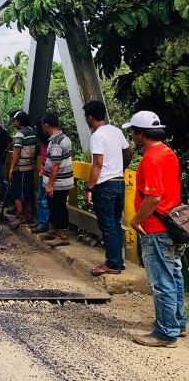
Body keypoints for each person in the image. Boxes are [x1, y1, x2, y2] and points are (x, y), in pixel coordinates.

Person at [124, 111, 186, 348]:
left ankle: (165, 333)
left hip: (156, 227)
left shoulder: (151, 158)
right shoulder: (168, 152)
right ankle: (177, 323)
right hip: (173, 224)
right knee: (175, 275)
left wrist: (136, 220)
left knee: (162, 281)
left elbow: (152, 197)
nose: (131, 135)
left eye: (132, 131)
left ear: (141, 133)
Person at [83, 101, 133, 276]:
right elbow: (129, 152)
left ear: (90, 117)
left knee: (108, 225)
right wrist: (120, 168)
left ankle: (112, 264)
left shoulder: (97, 135)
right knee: (115, 223)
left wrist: (89, 188)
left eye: (86, 117)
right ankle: (117, 261)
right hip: (119, 182)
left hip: (104, 185)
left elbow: (97, 164)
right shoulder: (116, 131)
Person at [39, 114, 74, 247]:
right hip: (62, 180)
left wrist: (50, 184)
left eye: (43, 125)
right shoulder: (63, 137)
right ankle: (53, 232)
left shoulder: (55, 142)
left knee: (58, 207)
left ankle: (62, 236)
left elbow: (55, 164)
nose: (42, 127)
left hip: (58, 182)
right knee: (55, 206)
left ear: (47, 125)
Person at [8, 111, 37, 228]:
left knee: (17, 193)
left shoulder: (20, 134)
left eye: (14, 120)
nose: (13, 123)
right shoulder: (33, 132)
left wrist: (11, 168)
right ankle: (29, 215)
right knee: (28, 192)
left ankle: (21, 216)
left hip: (21, 167)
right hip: (30, 167)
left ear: (19, 121)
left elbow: (17, 151)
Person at [31, 121, 50, 234]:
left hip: (48, 175)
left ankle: (43, 223)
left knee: (43, 200)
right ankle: (40, 221)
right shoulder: (42, 143)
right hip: (43, 173)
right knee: (39, 198)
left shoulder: (50, 143)